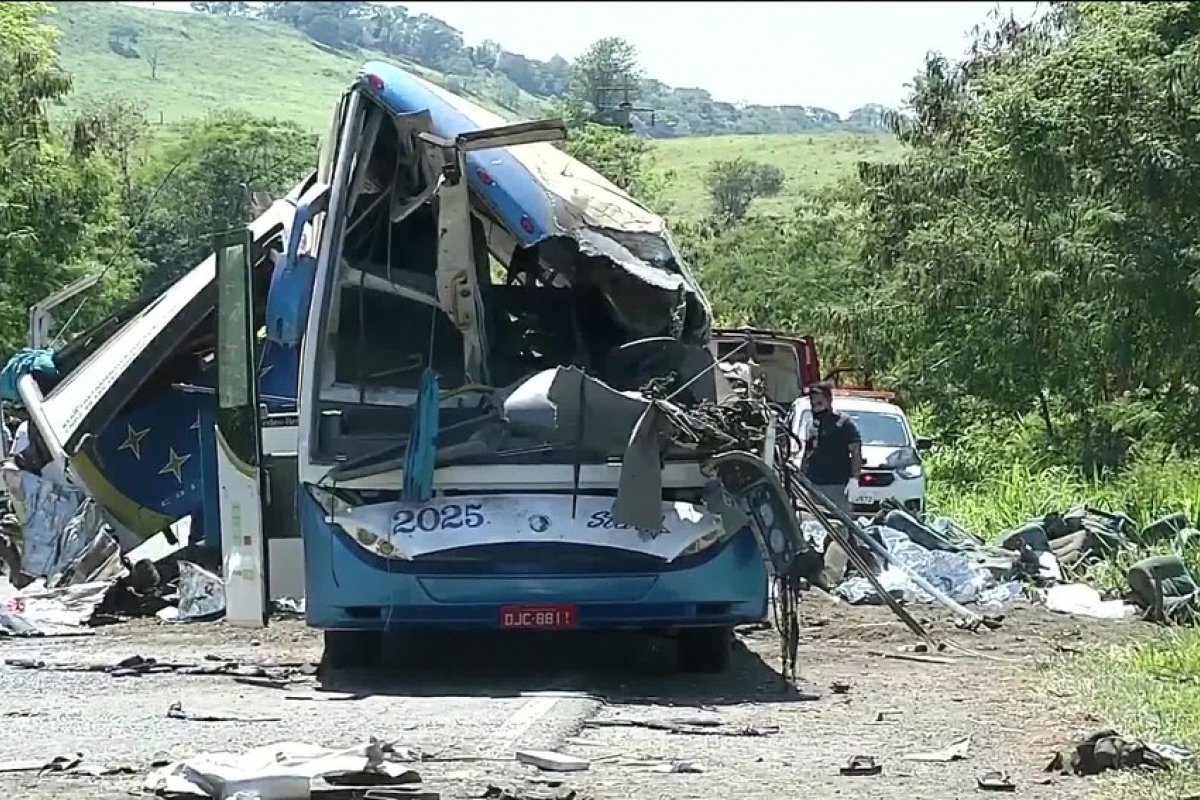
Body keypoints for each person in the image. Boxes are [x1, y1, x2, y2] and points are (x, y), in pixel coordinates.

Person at [800, 382, 863, 510]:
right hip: (813, 484)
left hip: (837, 484)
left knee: (837, 524)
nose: (816, 409)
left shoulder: (843, 423)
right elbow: (807, 452)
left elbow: (855, 451)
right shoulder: (812, 425)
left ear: (829, 401)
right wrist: (802, 476)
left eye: (820, 404)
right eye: (813, 405)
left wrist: (855, 478)